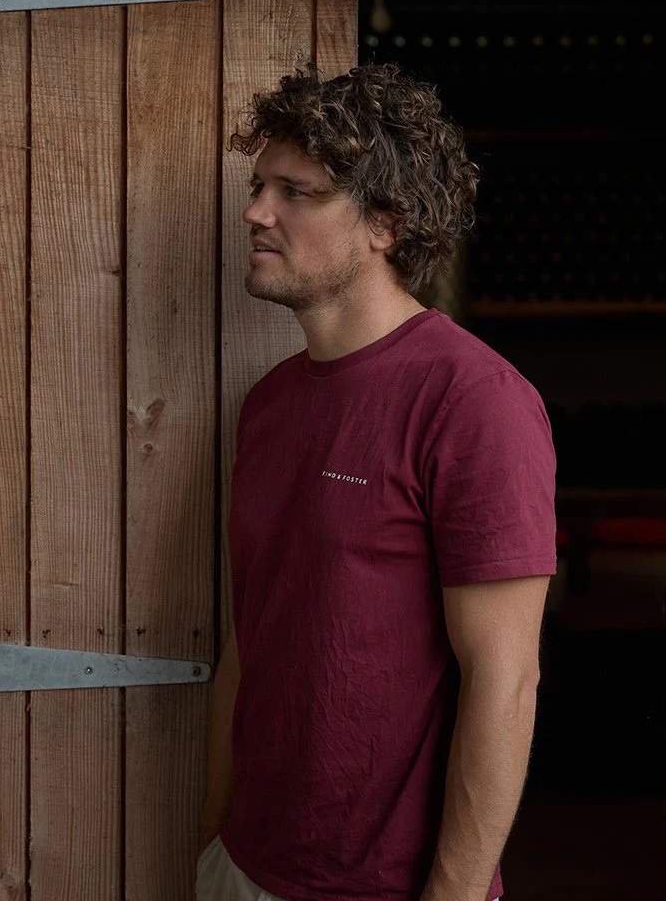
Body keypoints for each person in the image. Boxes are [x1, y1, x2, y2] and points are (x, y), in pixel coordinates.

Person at [196, 63, 557, 901]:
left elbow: (507, 679)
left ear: (385, 224)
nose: (255, 212)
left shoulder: (475, 401)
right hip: (243, 869)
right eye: (259, 186)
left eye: (296, 191)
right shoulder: (270, 404)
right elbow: (251, 637)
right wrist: (213, 835)